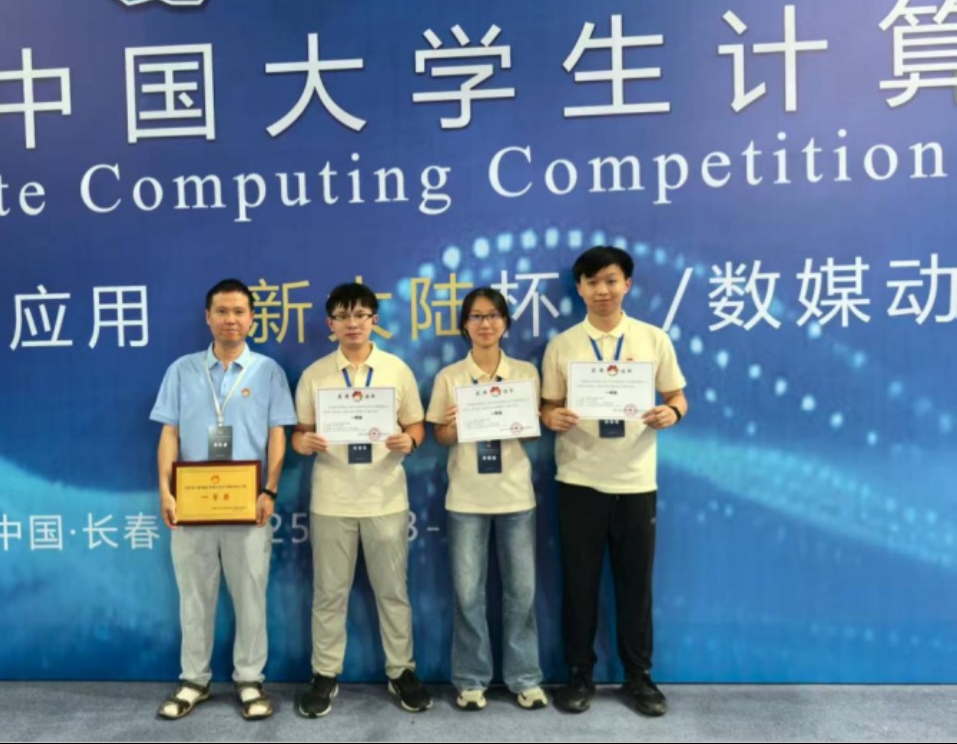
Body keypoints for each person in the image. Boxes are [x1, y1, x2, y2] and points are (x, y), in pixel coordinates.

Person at [540, 247, 688, 717]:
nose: (602, 290)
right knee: (579, 585)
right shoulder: (563, 345)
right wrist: (551, 416)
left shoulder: (653, 339)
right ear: (579, 288)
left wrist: (672, 412)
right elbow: (548, 406)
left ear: (627, 284)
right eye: (592, 282)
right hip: (579, 480)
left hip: (636, 480)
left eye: (610, 280)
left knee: (635, 586)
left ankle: (639, 676)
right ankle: (578, 675)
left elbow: (678, 396)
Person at [150, 279, 297, 721]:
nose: (230, 319)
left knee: (251, 595)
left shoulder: (268, 371)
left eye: (238, 311)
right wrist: (166, 491)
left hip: (248, 506)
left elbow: (277, 434)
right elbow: (170, 433)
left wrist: (270, 489)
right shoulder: (182, 370)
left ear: (251, 318)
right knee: (194, 597)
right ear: (207, 317)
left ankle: (250, 679)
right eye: (221, 311)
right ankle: (194, 680)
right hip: (193, 506)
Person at [292, 282, 431, 717]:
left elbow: (417, 425)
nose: (352, 324)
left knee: (393, 592)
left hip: (385, 498)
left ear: (374, 320)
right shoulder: (315, 375)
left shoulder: (396, 370)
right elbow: (298, 434)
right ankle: (324, 673)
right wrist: (304, 443)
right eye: (342, 316)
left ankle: (401, 670)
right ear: (330, 324)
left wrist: (410, 440)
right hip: (332, 500)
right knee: (328, 593)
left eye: (360, 315)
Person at [427, 287, 547, 712]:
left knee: (522, 593)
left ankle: (525, 678)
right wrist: (458, 425)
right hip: (466, 499)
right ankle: (471, 679)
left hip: (515, 497)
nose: (485, 324)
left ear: (505, 323)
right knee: (468, 595)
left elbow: (531, 435)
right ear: (464, 325)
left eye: (494, 315)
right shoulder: (450, 377)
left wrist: (517, 420)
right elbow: (440, 435)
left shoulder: (525, 374)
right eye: (476, 317)